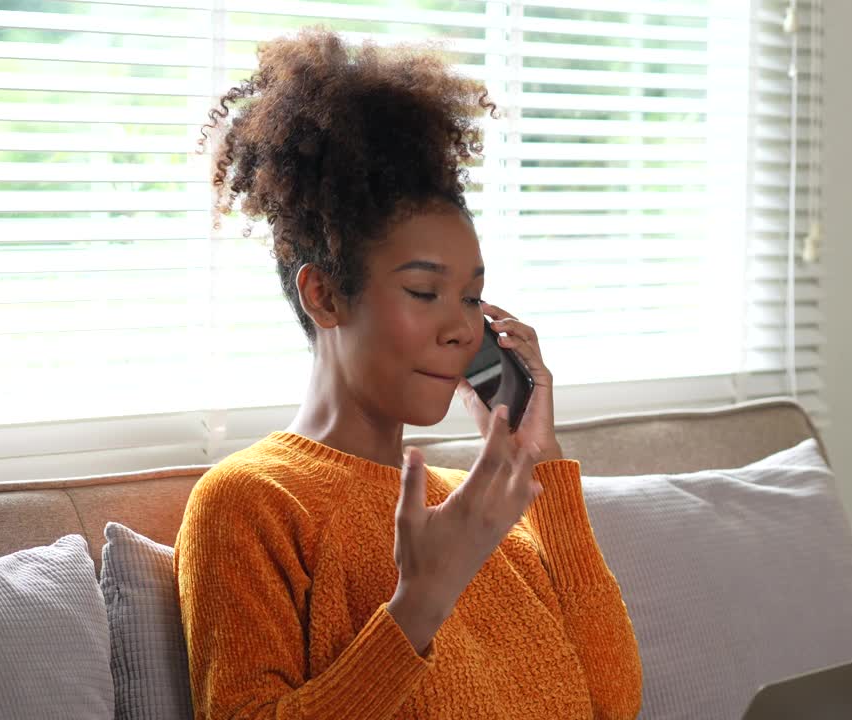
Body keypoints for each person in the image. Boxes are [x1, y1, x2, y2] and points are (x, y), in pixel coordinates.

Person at [173, 26, 644, 720]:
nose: (461, 327)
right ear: (325, 295)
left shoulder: (482, 507)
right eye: (425, 292)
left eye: (471, 296)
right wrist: (419, 605)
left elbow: (614, 702)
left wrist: (540, 462)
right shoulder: (251, 503)